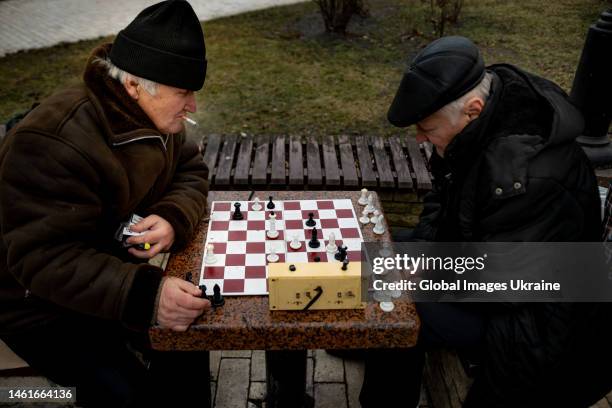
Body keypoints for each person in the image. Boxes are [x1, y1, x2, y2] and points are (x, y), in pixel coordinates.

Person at [359, 36, 612, 407]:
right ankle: (375, 339)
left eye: (427, 129)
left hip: (538, 318)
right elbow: (442, 201)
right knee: (381, 254)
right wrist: (420, 255)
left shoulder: (530, 176)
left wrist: (424, 271)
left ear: (472, 109)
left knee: (397, 298)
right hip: (492, 269)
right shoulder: (479, 126)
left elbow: (505, 281)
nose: (419, 138)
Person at [0, 1, 213, 407]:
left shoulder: (152, 115)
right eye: (183, 93)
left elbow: (191, 169)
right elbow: (41, 261)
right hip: (36, 307)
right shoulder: (52, 142)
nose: (192, 108)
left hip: (105, 277)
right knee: (129, 396)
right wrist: (148, 296)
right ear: (135, 85)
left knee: (188, 337)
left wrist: (171, 217)